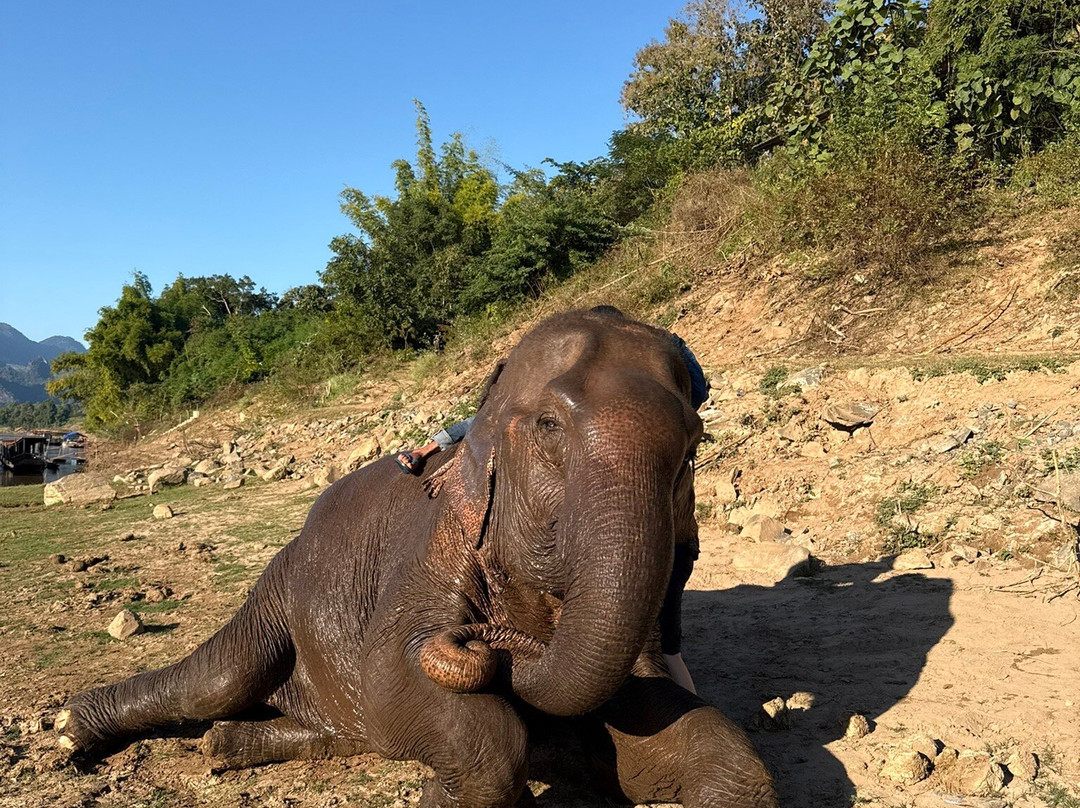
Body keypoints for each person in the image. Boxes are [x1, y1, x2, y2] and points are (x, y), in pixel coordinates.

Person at [395, 311, 708, 693]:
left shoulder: (635, 412)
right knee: (663, 646)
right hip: (666, 536)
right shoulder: (659, 413)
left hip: (661, 544)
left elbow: (475, 422)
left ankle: (686, 701)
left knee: (660, 650)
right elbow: (476, 425)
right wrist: (429, 449)